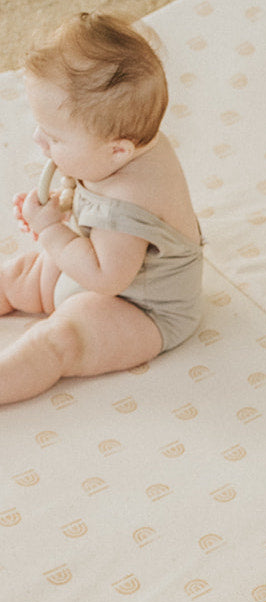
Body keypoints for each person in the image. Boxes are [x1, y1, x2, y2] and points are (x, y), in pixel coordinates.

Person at [0, 12, 202, 405]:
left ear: (118, 149)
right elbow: (89, 189)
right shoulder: (119, 145)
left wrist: (52, 231)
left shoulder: (129, 199)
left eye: (54, 137)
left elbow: (106, 278)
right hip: (88, 264)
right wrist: (64, 205)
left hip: (139, 307)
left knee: (59, 340)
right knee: (15, 275)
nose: (39, 140)